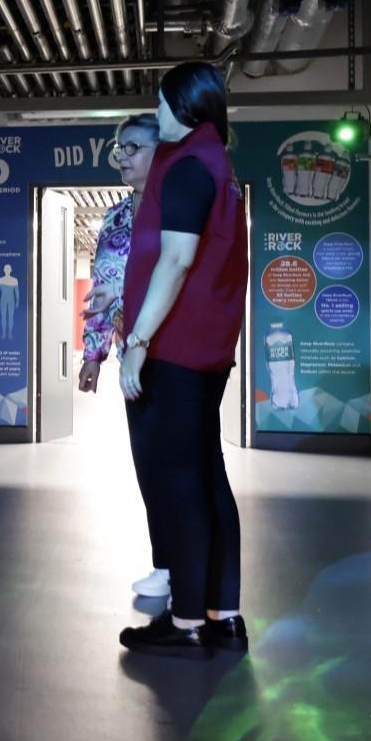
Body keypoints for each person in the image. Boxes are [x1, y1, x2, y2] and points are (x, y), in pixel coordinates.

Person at [116, 61, 249, 660]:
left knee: (178, 483)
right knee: (206, 477)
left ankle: (188, 620)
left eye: (164, 102)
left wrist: (137, 343)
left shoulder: (190, 166)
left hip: (177, 350)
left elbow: (175, 262)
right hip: (208, 351)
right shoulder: (217, 165)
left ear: (190, 108)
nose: (159, 112)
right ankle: (223, 615)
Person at [78, 115, 170, 600]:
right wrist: (94, 353)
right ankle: (167, 563)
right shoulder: (114, 219)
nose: (122, 156)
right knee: (147, 461)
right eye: (119, 148)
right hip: (130, 364)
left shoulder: (176, 211)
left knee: (181, 464)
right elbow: (101, 290)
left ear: (160, 153)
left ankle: (192, 566)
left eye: (133, 147)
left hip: (175, 353)